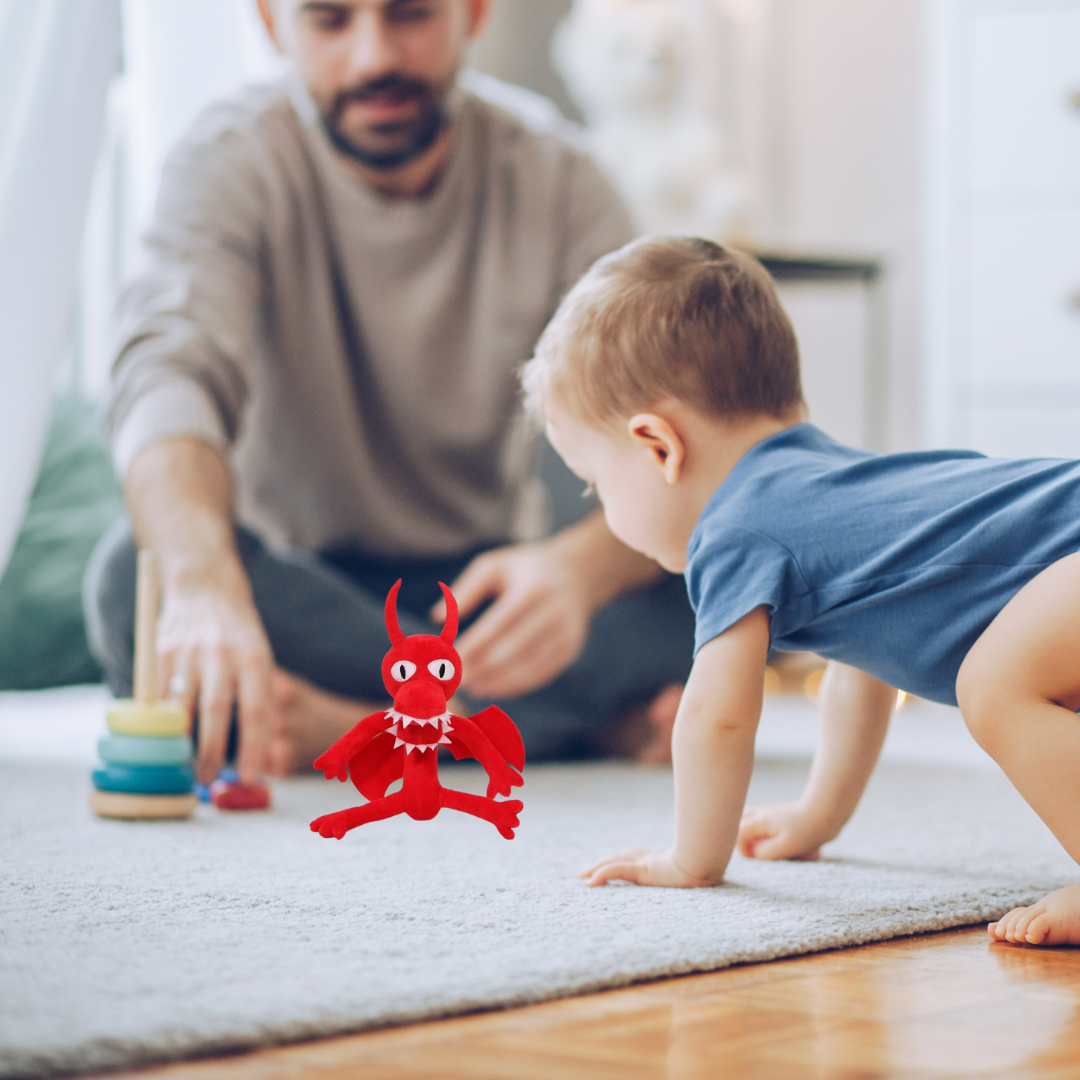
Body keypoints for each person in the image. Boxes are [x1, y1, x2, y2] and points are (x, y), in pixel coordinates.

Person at [85, 0, 696, 789]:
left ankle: (369, 729)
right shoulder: (226, 160)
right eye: (331, 20)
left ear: (472, 12)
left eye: (408, 14)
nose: (373, 57)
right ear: (274, 24)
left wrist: (578, 571)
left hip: (478, 601)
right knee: (135, 578)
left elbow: (676, 429)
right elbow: (167, 370)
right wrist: (205, 585)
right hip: (301, 586)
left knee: (717, 575)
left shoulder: (561, 177)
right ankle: (540, 727)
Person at [525, 233, 1080, 947]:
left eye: (595, 483)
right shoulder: (822, 491)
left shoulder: (737, 529)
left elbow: (716, 718)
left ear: (657, 446)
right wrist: (821, 813)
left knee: (996, 684)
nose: (602, 506)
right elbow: (865, 667)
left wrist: (692, 861)